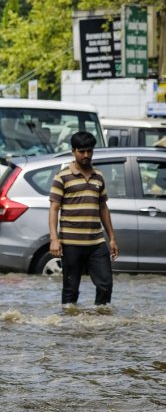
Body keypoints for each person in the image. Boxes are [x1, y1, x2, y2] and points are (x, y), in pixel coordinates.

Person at [48, 131, 119, 307]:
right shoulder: (62, 177)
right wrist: (54, 239)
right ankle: (69, 325)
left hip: (96, 242)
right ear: (73, 151)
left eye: (89, 151)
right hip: (71, 243)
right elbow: (54, 208)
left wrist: (112, 239)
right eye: (82, 151)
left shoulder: (99, 176)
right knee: (71, 289)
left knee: (105, 285)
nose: (86, 155)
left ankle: (98, 321)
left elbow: (103, 207)